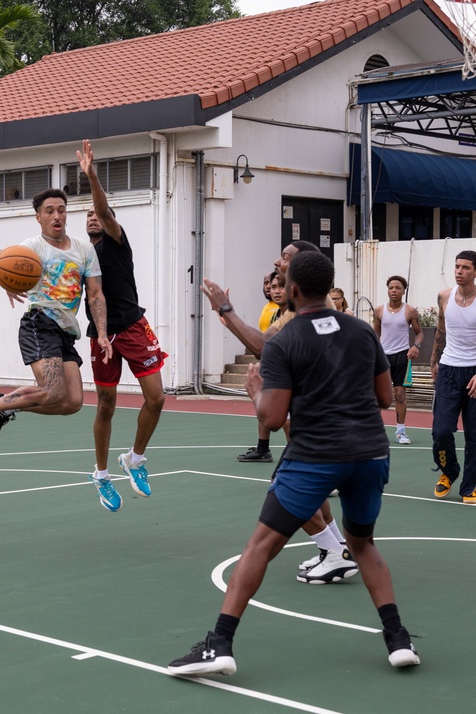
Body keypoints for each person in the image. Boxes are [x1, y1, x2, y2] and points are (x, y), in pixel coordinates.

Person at [168, 251, 420, 677]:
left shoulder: (286, 341)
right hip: (370, 454)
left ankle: (220, 645)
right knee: (363, 545)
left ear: (294, 290)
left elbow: (271, 418)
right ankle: (398, 639)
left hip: (317, 456)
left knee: (261, 547)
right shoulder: (362, 332)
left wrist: (254, 393)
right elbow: (382, 398)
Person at [202, 241, 357, 585]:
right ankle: (336, 548)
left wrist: (224, 308)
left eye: (285, 257)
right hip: (323, 418)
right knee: (311, 492)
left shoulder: (309, 308)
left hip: (320, 420)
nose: (276, 260)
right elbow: (262, 339)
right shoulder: (295, 307)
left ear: (302, 267)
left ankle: (334, 553)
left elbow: (264, 346)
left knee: (286, 492)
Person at [0, 188, 117, 507]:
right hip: (39, 323)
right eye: (50, 211)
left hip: (66, 331)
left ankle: (1, 405)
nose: (57, 216)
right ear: (38, 216)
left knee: (73, 403)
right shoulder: (31, 248)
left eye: (62, 210)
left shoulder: (84, 250)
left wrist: (104, 333)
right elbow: (12, 272)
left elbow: (95, 294)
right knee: (53, 392)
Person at [78, 139, 168, 510]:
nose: (93, 217)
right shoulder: (81, 256)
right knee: (105, 404)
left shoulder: (116, 241)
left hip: (132, 325)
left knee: (157, 397)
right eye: (87, 216)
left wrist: (92, 177)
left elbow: (103, 208)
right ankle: (101, 475)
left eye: (98, 213)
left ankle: (135, 459)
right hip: (102, 334)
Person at [430, 250, 476, 504]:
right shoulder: (444, 296)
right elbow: (441, 329)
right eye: (457, 266)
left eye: (466, 267)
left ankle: (470, 486)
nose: (459, 271)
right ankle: (449, 472)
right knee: (440, 431)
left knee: (475, 435)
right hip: (448, 370)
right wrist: (434, 360)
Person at [238, 272, 290, 463]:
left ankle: (312, 468)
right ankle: (264, 449)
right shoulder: (275, 312)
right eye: (270, 285)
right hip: (276, 368)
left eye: (279, 286)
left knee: (290, 424)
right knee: (270, 411)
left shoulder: (296, 315)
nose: (273, 289)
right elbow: (263, 344)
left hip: (295, 374)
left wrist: (229, 316)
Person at [373, 275, 424, 444]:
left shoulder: (410, 311)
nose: (394, 290)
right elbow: (375, 334)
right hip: (382, 357)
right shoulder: (379, 310)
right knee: (377, 395)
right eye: (391, 288)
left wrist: (416, 346)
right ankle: (373, 431)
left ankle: (401, 431)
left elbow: (419, 333)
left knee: (400, 394)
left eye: (398, 288)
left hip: (402, 356)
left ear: (403, 291)